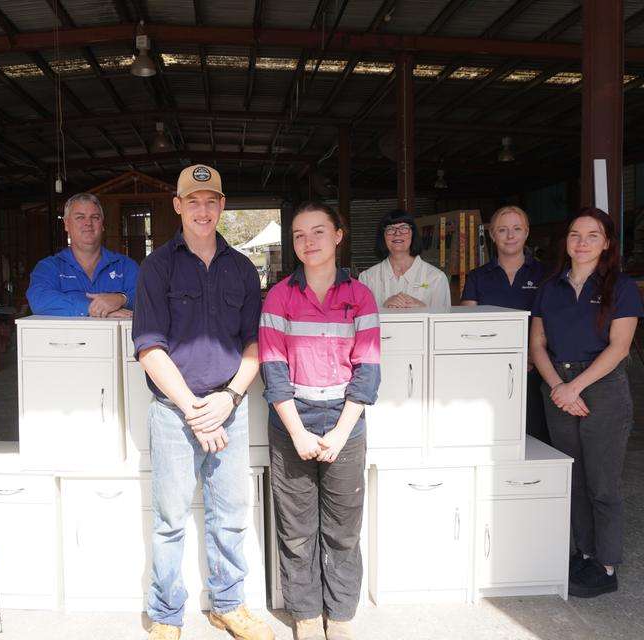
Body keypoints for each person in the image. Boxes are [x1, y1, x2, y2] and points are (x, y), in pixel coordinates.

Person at [132, 165, 273, 640]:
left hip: (229, 411)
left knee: (230, 516)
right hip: (175, 413)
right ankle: (166, 614)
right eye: (193, 201)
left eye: (211, 200)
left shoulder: (242, 269)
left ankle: (228, 606)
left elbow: (255, 344)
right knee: (170, 520)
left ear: (222, 205)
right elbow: (149, 348)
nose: (202, 210)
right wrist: (195, 410)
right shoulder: (157, 267)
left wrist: (229, 398)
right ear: (178, 206)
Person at [259, 202, 380, 640]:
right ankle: (307, 615)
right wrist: (297, 432)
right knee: (296, 529)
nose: (308, 242)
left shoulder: (360, 296)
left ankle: (341, 615)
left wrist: (340, 433)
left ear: (338, 236)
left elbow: (368, 370)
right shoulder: (279, 296)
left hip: (344, 421)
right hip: (292, 419)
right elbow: (273, 370)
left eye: (318, 232)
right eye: (299, 235)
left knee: (343, 529)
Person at [528, 207, 644, 599]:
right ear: (566, 241)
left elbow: (620, 347)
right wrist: (559, 387)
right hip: (558, 386)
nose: (582, 243)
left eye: (593, 236)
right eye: (575, 235)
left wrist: (574, 387)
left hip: (602, 387)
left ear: (606, 243)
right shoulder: (551, 287)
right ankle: (586, 552)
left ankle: (607, 566)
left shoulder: (621, 286)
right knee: (573, 478)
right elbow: (537, 344)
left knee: (602, 482)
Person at [462, 205, 550, 444]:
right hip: (490, 369)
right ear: (492, 235)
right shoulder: (477, 277)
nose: (510, 236)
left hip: (536, 369)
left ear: (526, 232)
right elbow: (469, 328)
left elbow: (553, 321)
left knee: (536, 436)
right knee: (493, 434)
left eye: (516, 229)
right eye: (502, 230)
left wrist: (533, 355)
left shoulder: (546, 275)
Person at [26, 192, 138, 318]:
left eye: (95, 217)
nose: (88, 223)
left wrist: (122, 299)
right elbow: (39, 299)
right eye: (80, 217)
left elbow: (148, 296)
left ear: (102, 224)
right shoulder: (49, 267)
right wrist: (92, 308)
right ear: (66, 224)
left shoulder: (126, 266)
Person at [358, 209, 451, 311]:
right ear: (383, 236)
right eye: (390, 229)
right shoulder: (367, 279)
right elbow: (360, 317)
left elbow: (445, 318)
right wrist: (383, 308)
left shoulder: (436, 278)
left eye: (404, 228)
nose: (397, 233)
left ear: (413, 233)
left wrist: (423, 308)